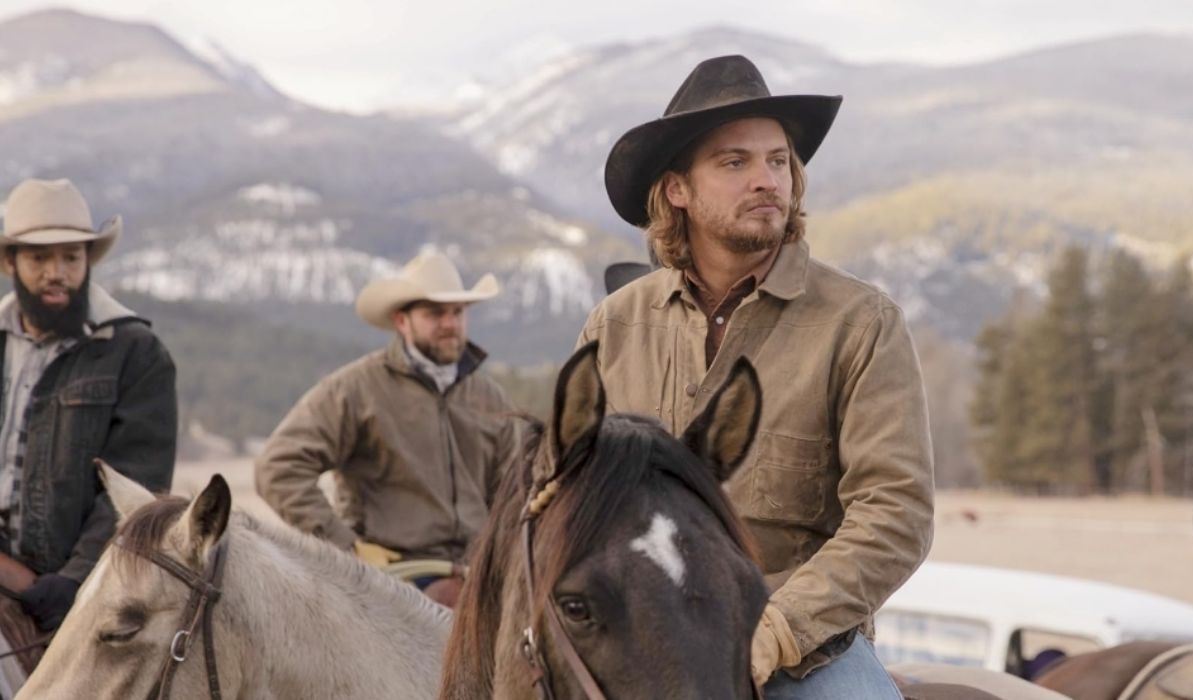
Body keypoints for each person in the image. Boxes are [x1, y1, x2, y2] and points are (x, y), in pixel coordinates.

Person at [579, 55, 935, 697]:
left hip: (807, 657)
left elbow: (896, 512)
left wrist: (776, 628)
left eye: (778, 161)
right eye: (735, 162)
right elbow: (575, 498)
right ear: (677, 190)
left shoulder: (861, 323)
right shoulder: (614, 327)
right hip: (638, 646)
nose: (767, 179)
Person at [255, 251, 519, 606]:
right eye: (434, 313)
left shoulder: (490, 398)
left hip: (478, 575)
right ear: (401, 321)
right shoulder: (356, 389)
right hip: (390, 580)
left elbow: (515, 491)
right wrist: (345, 546)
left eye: (457, 313)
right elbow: (278, 467)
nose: (450, 324)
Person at [0, 178, 178, 632]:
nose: (56, 272)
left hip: (85, 590)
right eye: (40, 258)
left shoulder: (135, 352)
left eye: (71, 257)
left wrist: (73, 578)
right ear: (10, 262)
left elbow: (136, 485)